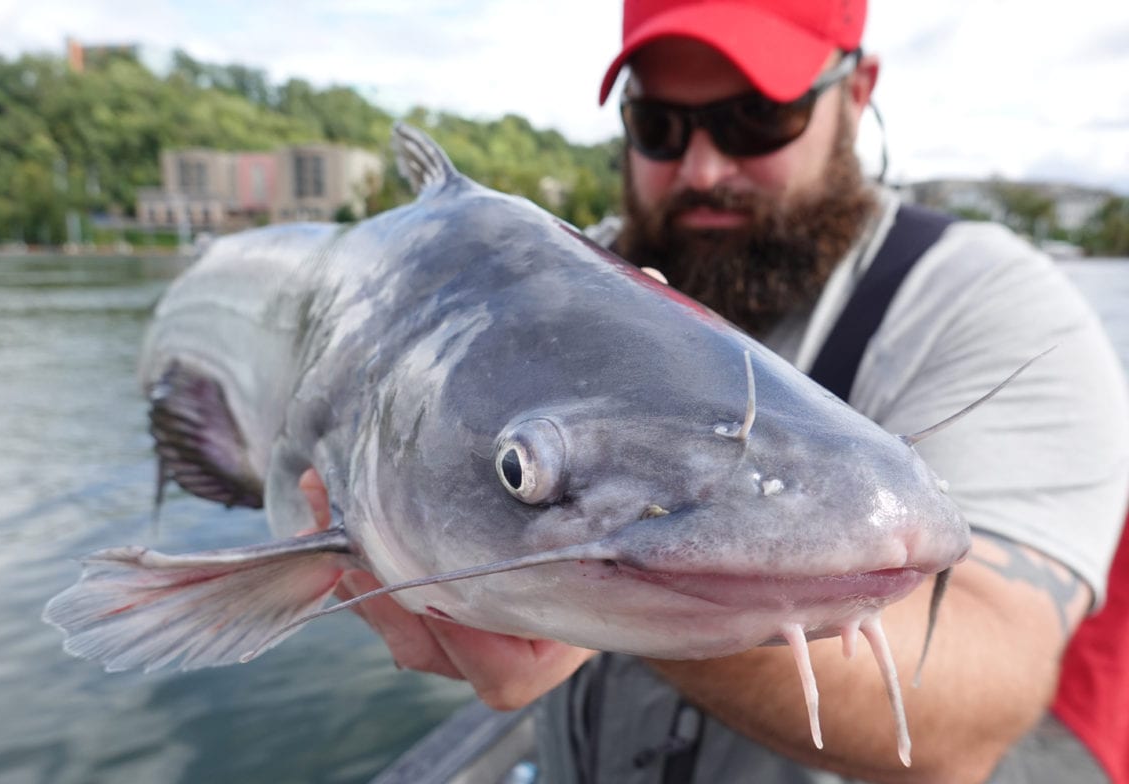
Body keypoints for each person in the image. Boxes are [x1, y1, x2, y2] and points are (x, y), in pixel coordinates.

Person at [299, 0, 1129, 780]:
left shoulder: (990, 304)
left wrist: (601, 586)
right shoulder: (552, 272)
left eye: (757, 117)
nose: (702, 167)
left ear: (858, 92)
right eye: (658, 126)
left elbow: (979, 706)